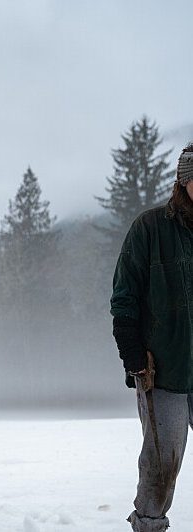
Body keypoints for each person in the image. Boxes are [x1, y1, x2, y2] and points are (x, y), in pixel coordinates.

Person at [111, 143, 193, 532]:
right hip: (164, 369)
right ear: (184, 180)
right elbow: (124, 296)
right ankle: (149, 525)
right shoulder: (150, 228)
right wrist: (132, 352)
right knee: (162, 463)